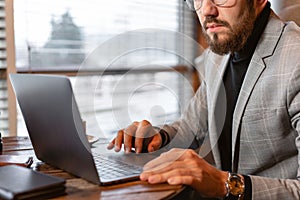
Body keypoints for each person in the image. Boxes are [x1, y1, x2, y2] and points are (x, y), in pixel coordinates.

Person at [107, 0, 300, 199]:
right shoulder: (216, 55)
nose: (207, 10)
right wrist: (158, 137)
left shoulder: (295, 59)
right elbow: (191, 129)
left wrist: (222, 183)